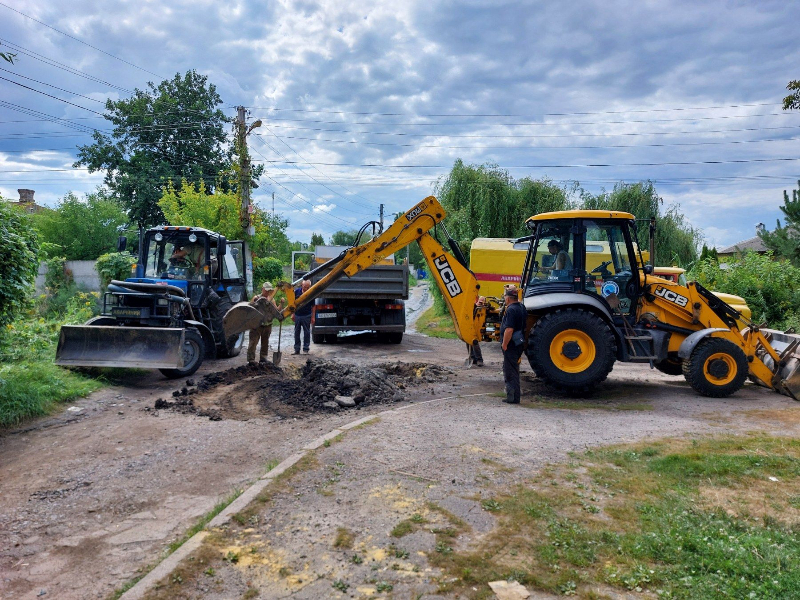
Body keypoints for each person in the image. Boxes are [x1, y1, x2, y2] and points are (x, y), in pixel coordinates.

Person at [500, 285, 526, 404]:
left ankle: (512, 397)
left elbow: (509, 330)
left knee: (509, 370)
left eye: (505, 296)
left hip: (511, 344)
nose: (505, 299)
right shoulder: (521, 307)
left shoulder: (511, 310)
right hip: (519, 342)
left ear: (508, 298)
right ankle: (515, 397)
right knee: (514, 369)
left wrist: (504, 344)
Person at [247, 281, 284, 364]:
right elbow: (249, 309)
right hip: (256, 325)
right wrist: (254, 303)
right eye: (266, 290)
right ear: (262, 289)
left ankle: (263, 358)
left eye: (269, 290)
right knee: (253, 342)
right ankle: (251, 359)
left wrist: (281, 304)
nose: (267, 292)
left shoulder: (271, 299)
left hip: (267, 325)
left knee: (265, 342)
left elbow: (277, 311)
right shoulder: (256, 298)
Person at [293, 278, 313, 355]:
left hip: (307, 315)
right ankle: (297, 349)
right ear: (302, 285)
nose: (306, 288)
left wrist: (313, 317)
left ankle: (306, 349)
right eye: (305, 287)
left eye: (308, 287)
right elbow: (293, 304)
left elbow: (313, 306)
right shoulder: (296, 292)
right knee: (297, 332)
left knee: (307, 332)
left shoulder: (311, 293)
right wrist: (293, 314)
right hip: (297, 314)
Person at [467, 296, 486, 366]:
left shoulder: (481, 310)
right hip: (470, 326)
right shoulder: (473, 307)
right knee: (468, 341)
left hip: (476, 328)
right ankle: (473, 358)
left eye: (483, 303)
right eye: (480, 302)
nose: (481, 304)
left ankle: (479, 359)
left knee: (475, 342)